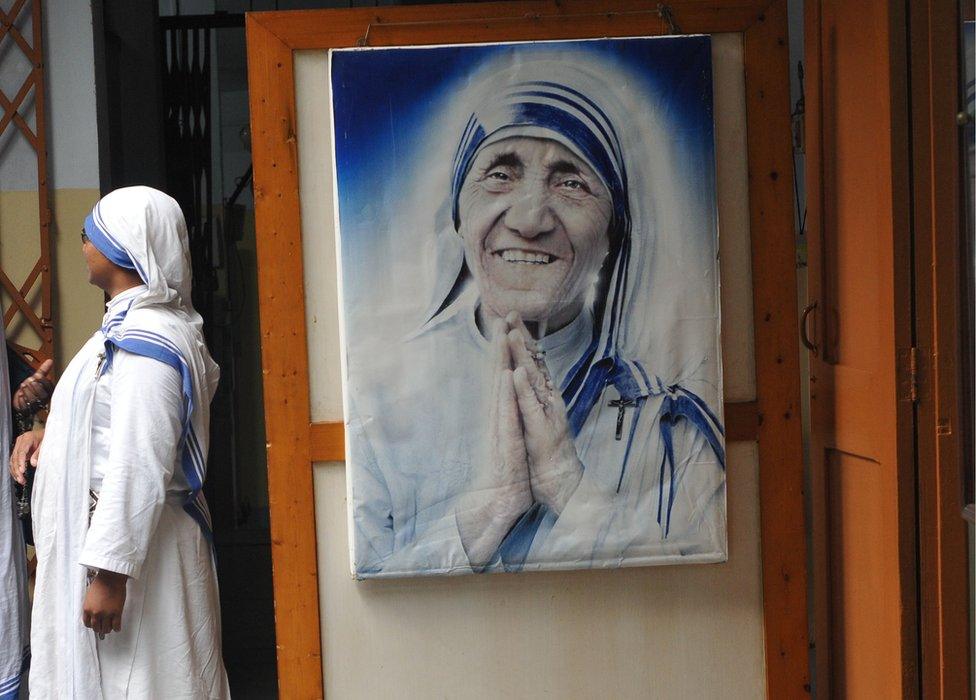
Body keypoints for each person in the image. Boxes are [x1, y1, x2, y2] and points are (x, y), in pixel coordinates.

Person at [345, 46, 726, 577]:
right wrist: (496, 504)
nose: (528, 218)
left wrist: (568, 486)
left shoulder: (667, 424)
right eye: (500, 173)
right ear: (459, 214)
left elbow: (698, 594)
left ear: (615, 233)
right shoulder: (378, 401)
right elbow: (369, 598)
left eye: (571, 181)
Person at [10, 186, 230, 697]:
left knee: (148, 680)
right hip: (124, 548)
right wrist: (51, 436)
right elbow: (112, 423)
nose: (82, 241)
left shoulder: (149, 339)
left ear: (122, 245)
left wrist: (110, 573)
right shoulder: (130, 327)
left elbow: (141, 458)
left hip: (137, 558)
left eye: (91, 232)